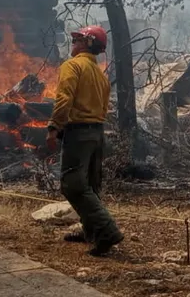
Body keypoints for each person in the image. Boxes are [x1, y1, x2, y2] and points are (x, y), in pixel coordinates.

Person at [47, 25, 124, 256]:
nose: (73, 44)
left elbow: (64, 99)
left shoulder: (72, 66)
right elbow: (103, 108)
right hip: (97, 133)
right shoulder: (100, 76)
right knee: (90, 184)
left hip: (78, 133)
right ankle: (91, 231)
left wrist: (54, 127)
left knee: (73, 184)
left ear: (88, 44)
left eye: (78, 40)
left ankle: (107, 231)